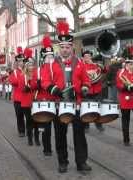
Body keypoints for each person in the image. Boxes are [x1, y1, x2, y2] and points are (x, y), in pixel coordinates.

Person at [54, 20, 92, 173]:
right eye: (62, 47)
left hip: (76, 104)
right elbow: (45, 81)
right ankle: (63, 162)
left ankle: (81, 162)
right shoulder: (52, 63)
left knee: (79, 135)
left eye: (67, 47)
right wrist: (53, 89)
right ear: (59, 47)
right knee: (60, 135)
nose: (64, 50)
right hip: (59, 104)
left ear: (72, 47)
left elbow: (86, 80)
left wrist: (84, 87)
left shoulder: (80, 63)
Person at [116, 45, 133, 147]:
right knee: (125, 120)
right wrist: (127, 87)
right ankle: (126, 139)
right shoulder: (121, 72)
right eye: (131, 64)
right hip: (125, 100)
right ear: (127, 64)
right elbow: (118, 85)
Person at [19, 48, 39, 146]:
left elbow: (38, 86)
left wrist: (37, 84)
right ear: (26, 66)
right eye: (29, 65)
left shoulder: (37, 75)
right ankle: (30, 138)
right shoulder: (23, 76)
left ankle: (37, 138)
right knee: (29, 121)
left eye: (32, 64)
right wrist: (25, 88)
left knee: (37, 120)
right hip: (26, 102)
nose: (31, 66)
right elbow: (21, 88)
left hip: (35, 101)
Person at [81, 50, 105, 132]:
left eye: (89, 56)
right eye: (85, 56)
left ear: (91, 57)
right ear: (83, 58)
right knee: (86, 109)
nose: (87, 58)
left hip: (97, 90)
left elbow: (105, 71)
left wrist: (102, 66)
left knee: (98, 108)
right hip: (87, 91)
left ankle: (99, 124)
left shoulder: (96, 66)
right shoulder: (81, 66)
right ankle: (86, 125)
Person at [9, 47, 25, 137]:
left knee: (29, 116)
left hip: (27, 97)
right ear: (17, 62)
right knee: (19, 116)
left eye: (23, 61)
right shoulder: (14, 72)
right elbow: (13, 81)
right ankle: (21, 131)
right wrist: (22, 79)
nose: (21, 63)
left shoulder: (27, 71)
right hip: (18, 98)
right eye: (19, 61)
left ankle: (30, 130)